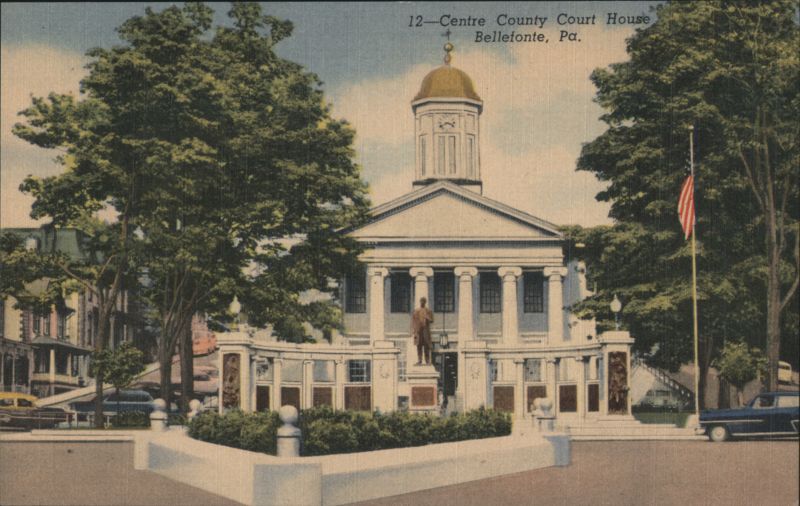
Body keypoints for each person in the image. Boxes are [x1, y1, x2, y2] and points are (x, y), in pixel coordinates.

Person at [411, 297, 433, 365]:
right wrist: (414, 331)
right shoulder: (416, 311)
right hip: (418, 331)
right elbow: (413, 321)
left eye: (423, 301)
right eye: (421, 301)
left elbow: (432, 320)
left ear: (425, 302)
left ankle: (427, 361)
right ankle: (419, 360)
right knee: (419, 346)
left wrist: (427, 317)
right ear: (420, 302)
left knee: (426, 346)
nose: (422, 302)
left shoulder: (428, 311)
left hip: (425, 330)